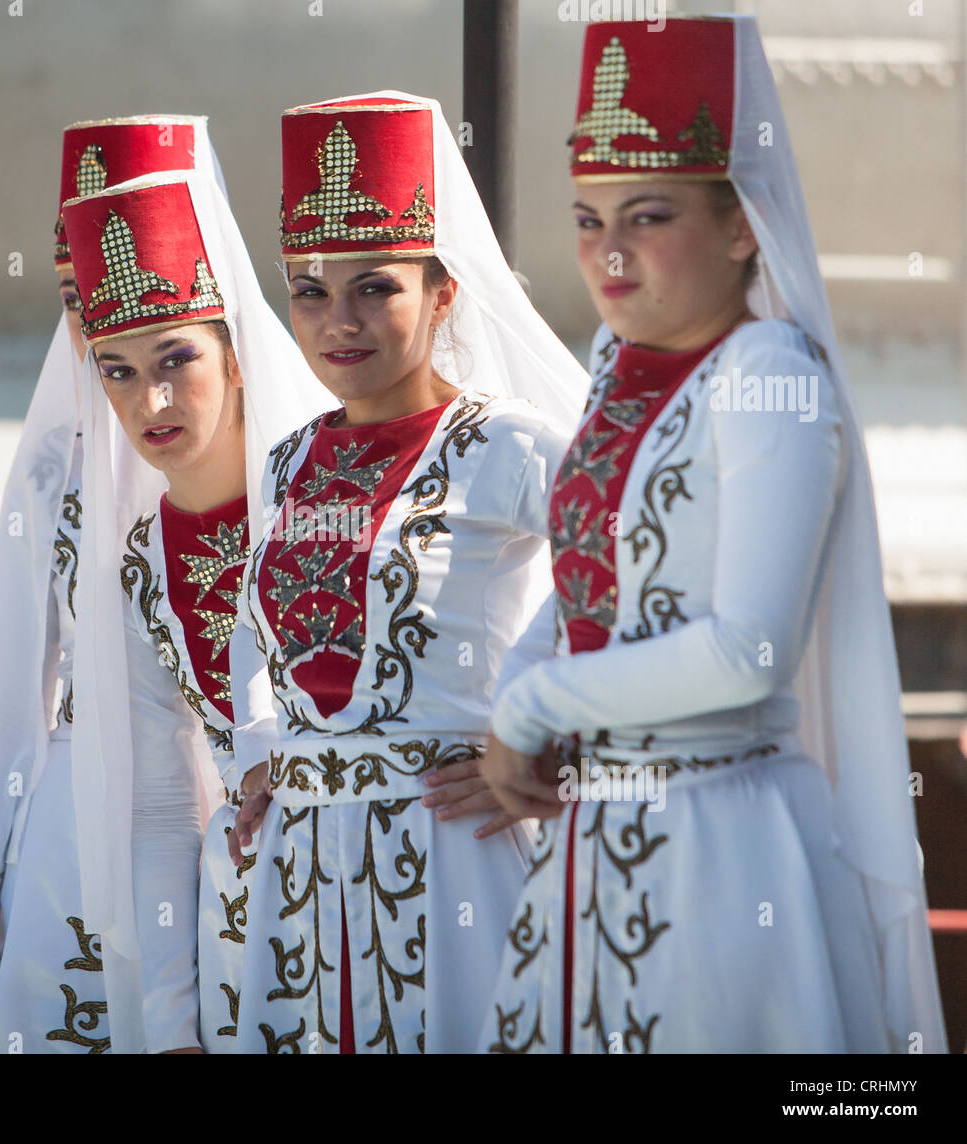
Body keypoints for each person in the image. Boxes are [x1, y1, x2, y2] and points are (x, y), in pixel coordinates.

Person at [481, 15, 947, 1053]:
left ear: (742, 224)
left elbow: (751, 649)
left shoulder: (768, 375)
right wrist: (518, 682)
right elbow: (594, 577)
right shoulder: (610, 359)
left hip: (712, 836)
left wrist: (534, 703)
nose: (608, 250)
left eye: (647, 216)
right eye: (587, 217)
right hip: (587, 838)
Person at [226, 93, 588, 1053]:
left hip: (457, 856)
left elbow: (636, 574)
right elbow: (252, 630)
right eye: (309, 289)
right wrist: (259, 746)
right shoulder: (286, 460)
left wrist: (553, 750)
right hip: (302, 878)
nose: (337, 320)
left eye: (374, 287)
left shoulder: (507, 444)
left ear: (442, 293)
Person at [0, 117, 218, 1054]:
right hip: (68, 842)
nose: (101, 324)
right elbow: (8, 692)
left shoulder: (286, 459)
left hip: (239, 832)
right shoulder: (52, 467)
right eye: (75, 298)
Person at [61, 169, 327, 1053]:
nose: (153, 401)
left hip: (409, 877)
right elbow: (161, 804)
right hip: (247, 923)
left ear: (238, 353)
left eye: (178, 359)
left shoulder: (332, 499)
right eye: (121, 372)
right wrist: (174, 1025)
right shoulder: (137, 561)